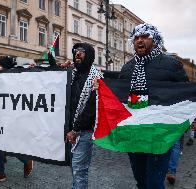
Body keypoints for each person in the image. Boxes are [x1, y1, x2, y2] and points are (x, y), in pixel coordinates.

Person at [119, 23, 189, 189]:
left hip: (160, 135)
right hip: (134, 135)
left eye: (145, 37)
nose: (139, 40)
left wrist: (184, 124)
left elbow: (185, 95)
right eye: (136, 37)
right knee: (141, 180)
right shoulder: (128, 68)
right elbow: (119, 96)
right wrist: (101, 88)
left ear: (155, 40)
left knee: (155, 182)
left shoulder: (172, 65)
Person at [0, 54, 33, 185]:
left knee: (7, 144)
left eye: (0, 67)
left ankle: (25, 161)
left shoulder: (14, 80)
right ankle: (1, 172)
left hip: (9, 119)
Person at [64, 43, 102, 189]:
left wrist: (75, 130)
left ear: (90, 55)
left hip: (84, 131)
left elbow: (91, 109)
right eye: (76, 51)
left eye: (82, 52)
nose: (77, 54)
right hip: (70, 130)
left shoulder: (96, 78)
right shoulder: (72, 74)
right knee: (74, 168)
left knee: (79, 171)